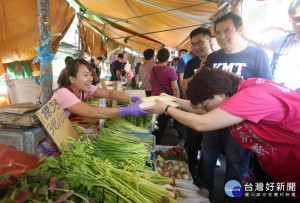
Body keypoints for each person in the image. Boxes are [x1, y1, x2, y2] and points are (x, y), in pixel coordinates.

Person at [145, 67, 300, 202]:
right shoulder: (240, 90)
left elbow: (202, 122)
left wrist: (167, 109)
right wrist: (174, 100)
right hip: (278, 165)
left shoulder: (251, 96)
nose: (206, 108)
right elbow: (203, 110)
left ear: (218, 92)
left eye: (206, 103)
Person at [201, 12, 273, 199]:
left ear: (240, 30)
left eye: (227, 31)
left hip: (241, 122)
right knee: (208, 153)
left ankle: (231, 196)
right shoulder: (213, 58)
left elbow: (266, 89)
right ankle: (205, 187)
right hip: (213, 116)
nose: (222, 36)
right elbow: (204, 86)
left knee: (235, 161)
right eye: (218, 32)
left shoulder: (257, 55)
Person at [232, 0, 300, 90]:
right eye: (297, 19)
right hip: (278, 97)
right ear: (289, 20)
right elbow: (247, 35)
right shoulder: (282, 41)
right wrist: (236, 8)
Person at [52, 58, 148, 120]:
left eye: (90, 74)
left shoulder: (84, 88)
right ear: (72, 79)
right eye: (85, 75)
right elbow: (91, 112)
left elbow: (109, 93)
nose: (91, 78)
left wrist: (130, 99)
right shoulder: (64, 93)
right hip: (47, 138)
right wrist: (126, 110)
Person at [180, 27, 213, 183]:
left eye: (200, 42)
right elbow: (184, 85)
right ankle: (191, 173)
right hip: (194, 110)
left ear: (210, 40)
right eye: (193, 44)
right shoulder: (191, 63)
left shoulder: (218, 59)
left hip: (214, 114)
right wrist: (198, 73)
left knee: (209, 149)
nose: (197, 47)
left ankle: (205, 181)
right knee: (192, 144)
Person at [150, 48, 179, 144]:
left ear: (158, 57)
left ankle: (154, 142)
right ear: (168, 58)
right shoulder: (171, 70)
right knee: (161, 126)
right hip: (166, 101)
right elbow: (175, 88)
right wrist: (178, 101)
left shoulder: (153, 70)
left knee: (155, 124)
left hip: (154, 100)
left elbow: (152, 83)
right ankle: (156, 145)